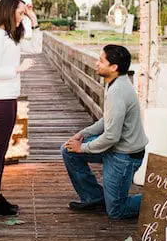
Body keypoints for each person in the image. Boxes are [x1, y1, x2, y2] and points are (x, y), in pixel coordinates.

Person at [62, 44, 147, 219]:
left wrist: (83, 148)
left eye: (101, 61)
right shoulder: (115, 82)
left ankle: (160, 199)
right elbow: (106, 121)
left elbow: (111, 136)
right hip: (115, 148)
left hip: (125, 156)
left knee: (117, 211)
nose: (96, 63)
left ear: (114, 67)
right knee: (68, 150)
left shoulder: (117, 91)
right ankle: (94, 197)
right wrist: (83, 134)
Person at [0, 0, 40, 216]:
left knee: (1, 148)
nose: (22, 15)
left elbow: (35, 48)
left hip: (9, 97)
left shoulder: (10, 36)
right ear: (9, 11)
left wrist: (33, 18)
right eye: (20, 12)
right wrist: (19, 69)